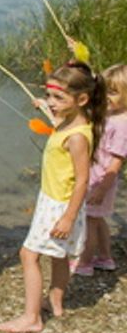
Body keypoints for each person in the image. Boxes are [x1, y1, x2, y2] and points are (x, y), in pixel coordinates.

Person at [0, 60, 104, 333]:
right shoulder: (71, 122)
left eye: (58, 97)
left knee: (28, 255)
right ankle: (55, 300)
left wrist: (68, 218)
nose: (52, 102)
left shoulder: (78, 137)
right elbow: (58, 121)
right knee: (59, 256)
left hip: (60, 207)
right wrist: (46, 108)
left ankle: (31, 318)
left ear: (82, 98)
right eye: (49, 95)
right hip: (55, 201)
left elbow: (83, 180)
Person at [71, 63, 127, 276]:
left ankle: (84, 263)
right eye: (103, 91)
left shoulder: (121, 124)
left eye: (112, 93)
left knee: (89, 221)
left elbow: (116, 162)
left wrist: (101, 188)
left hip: (101, 181)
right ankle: (105, 258)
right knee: (98, 219)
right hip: (97, 179)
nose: (105, 97)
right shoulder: (109, 114)